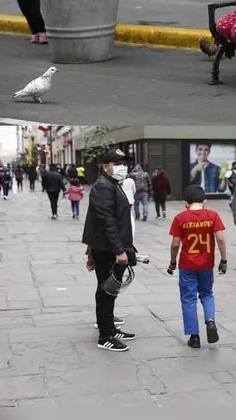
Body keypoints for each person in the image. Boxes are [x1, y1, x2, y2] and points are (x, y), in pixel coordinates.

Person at [82, 148, 135, 352]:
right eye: (117, 163)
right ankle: (105, 335)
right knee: (106, 290)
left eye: (124, 163)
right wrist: (119, 250)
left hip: (111, 247)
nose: (123, 167)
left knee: (110, 290)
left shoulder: (112, 184)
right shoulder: (103, 186)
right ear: (105, 167)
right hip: (107, 249)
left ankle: (110, 328)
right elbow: (107, 221)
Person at [167, 185, 227, 349]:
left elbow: (175, 244)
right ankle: (210, 321)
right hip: (207, 264)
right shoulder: (213, 215)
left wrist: (172, 262)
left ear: (185, 202)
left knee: (188, 299)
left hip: (187, 264)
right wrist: (224, 260)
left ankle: (194, 337)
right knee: (207, 294)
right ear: (204, 201)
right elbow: (220, 239)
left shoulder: (180, 218)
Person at [120, 169, 136, 237]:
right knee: (129, 213)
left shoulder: (120, 181)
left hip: (123, 199)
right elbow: (134, 190)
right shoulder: (131, 180)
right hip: (130, 199)